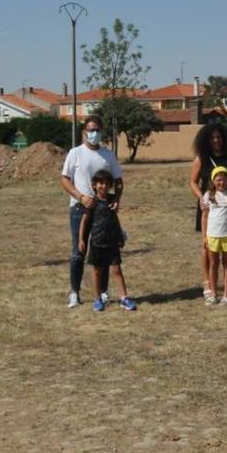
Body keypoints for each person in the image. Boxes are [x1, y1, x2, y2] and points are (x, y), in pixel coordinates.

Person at [59, 115, 123, 308]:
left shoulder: (108, 155)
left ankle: (103, 292)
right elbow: (65, 179)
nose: (93, 134)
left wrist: (117, 199)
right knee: (79, 251)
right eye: (90, 130)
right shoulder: (75, 153)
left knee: (102, 251)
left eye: (97, 130)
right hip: (80, 208)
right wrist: (80, 196)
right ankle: (74, 293)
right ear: (84, 132)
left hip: (103, 210)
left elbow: (118, 181)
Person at [189, 123, 227, 302]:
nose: (216, 140)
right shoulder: (201, 158)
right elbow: (193, 182)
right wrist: (201, 198)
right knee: (207, 245)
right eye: (212, 137)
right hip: (209, 206)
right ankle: (207, 282)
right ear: (206, 140)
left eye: (219, 136)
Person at [79, 169, 138, 311]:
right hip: (97, 243)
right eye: (100, 183)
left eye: (106, 183)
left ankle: (124, 298)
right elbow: (84, 221)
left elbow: (115, 219)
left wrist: (120, 236)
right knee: (97, 271)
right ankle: (97, 299)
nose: (103, 186)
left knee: (117, 270)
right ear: (94, 185)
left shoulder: (113, 200)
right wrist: (81, 239)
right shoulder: (91, 202)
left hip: (112, 242)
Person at [201, 165, 227, 305]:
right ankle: (213, 294)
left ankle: (226, 294)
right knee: (213, 264)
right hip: (212, 235)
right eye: (218, 180)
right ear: (213, 181)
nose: (221, 183)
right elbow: (205, 217)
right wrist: (204, 236)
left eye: (224, 180)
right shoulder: (208, 196)